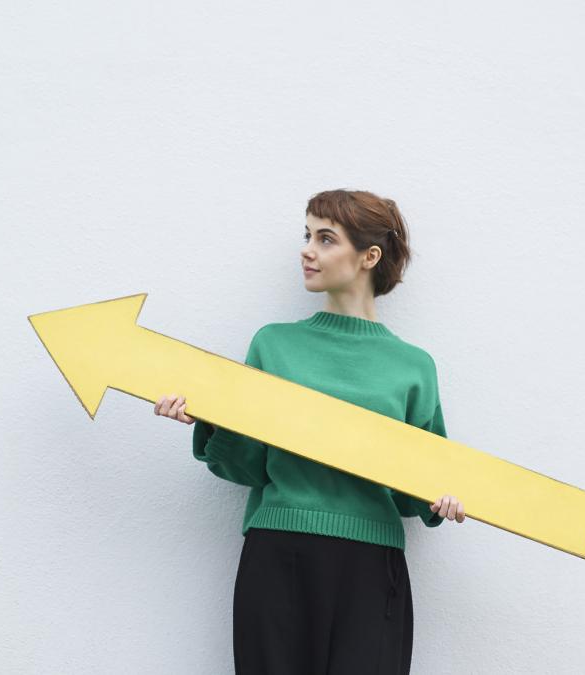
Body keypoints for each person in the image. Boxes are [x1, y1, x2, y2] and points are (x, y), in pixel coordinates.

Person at [155, 189, 465, 674]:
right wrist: (211, 420)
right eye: (307, 235)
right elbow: (248, 468)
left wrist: (440, 501)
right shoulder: (274, 345)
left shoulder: (413, 367)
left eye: (325, 239)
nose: (306, 250)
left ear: (369, 256)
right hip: (278, 555)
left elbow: (413, 495)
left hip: (371, 565)